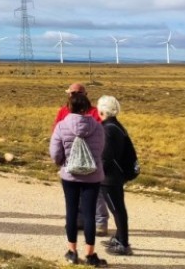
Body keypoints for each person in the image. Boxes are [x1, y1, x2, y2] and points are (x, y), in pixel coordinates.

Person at [50, 92, 108, 267]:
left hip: (70, 175)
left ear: (69, 107)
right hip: (92, 176)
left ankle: (72, 252)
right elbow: (101, 150)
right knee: (90, 214)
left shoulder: (61, 126)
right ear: (87, 108)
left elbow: (55, 153)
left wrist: (63, 163)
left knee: (72, 212)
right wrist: (94, 164)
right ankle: (90, 254)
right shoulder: (98, 127)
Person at [97, 95, 134, 256]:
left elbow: (106, 157)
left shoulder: (107, 129)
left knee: (117, 209)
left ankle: (123, 243)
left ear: (101, 110)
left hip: (110, 178)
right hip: (116, 175)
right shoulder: (116, 125)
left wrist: (97, 173)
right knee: (118, 208)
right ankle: (119, 237)